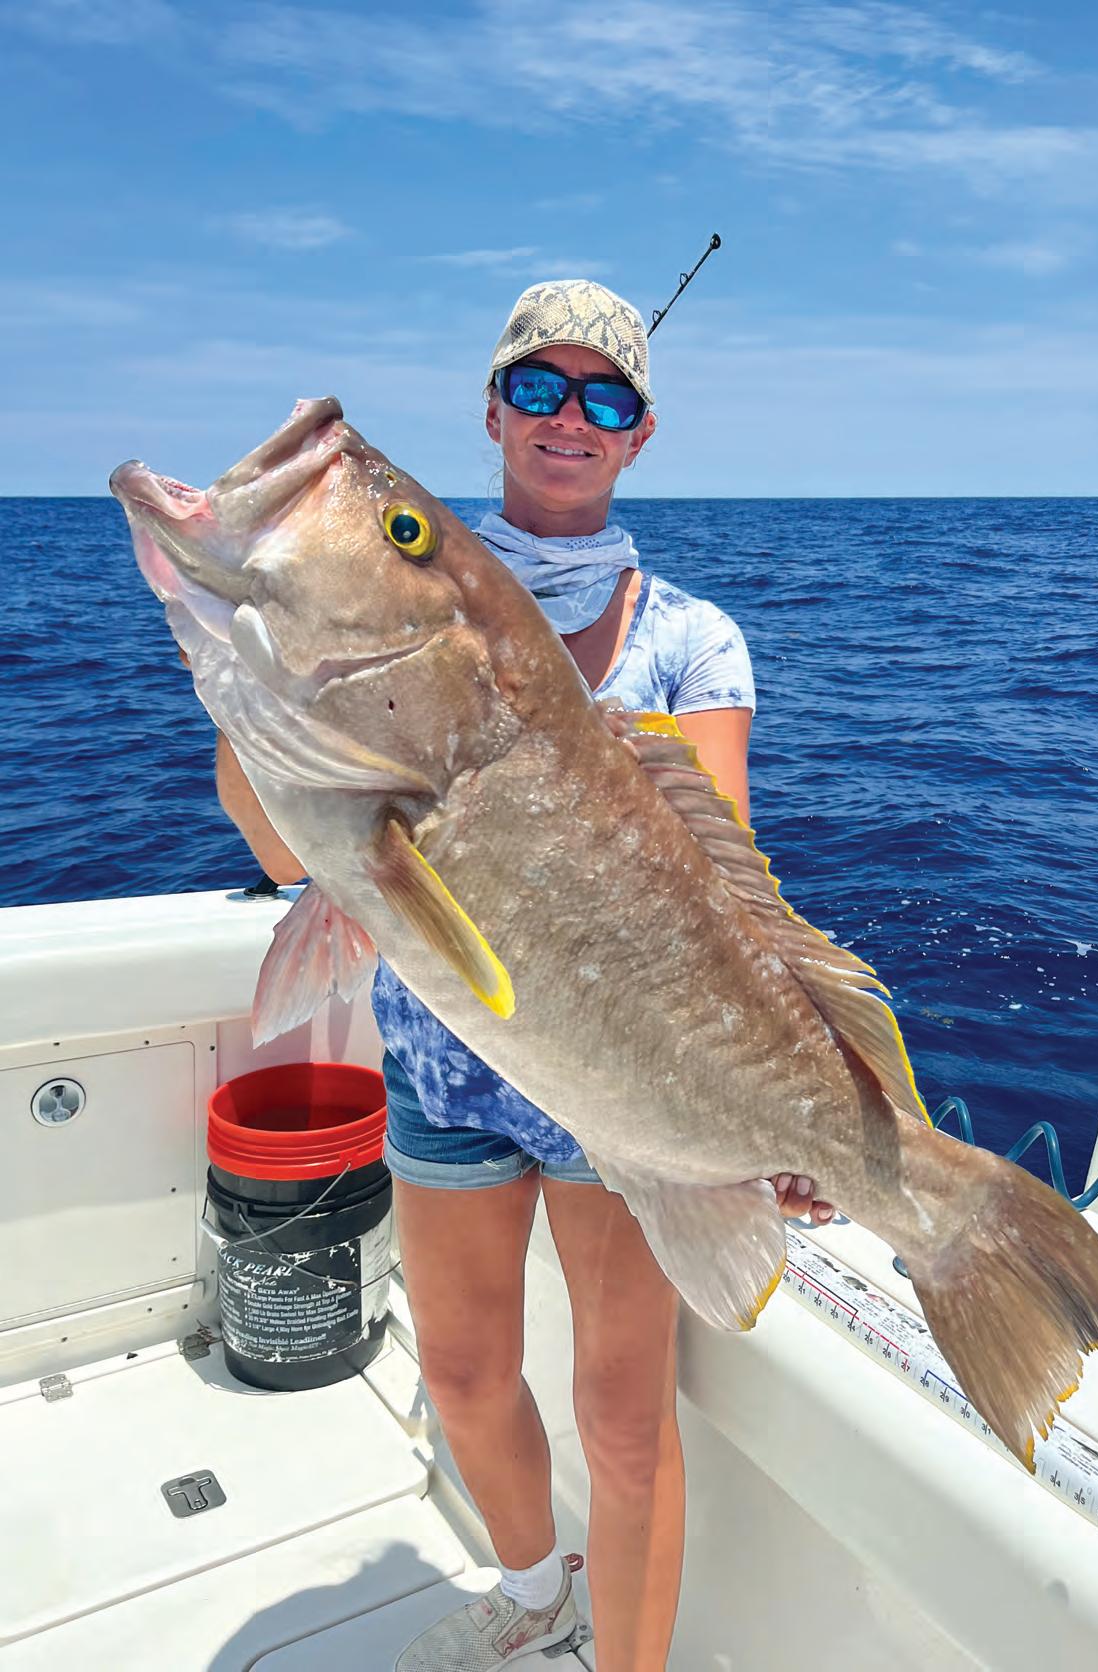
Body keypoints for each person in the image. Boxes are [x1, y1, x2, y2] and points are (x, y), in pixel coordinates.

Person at [213, 279, 833, 1672]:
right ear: (492, 411)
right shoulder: (377, 591)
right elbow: (283, 844)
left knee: (622, 1420)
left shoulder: (690, 640)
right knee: (458, 1373)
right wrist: (260, 681)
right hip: (444, 1070)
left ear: (640, 434)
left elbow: (728, 887)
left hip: (618, 1097)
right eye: (539, 388)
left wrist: (772, 1107)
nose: (570, 417)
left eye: (604, 397)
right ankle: (536, 1592)